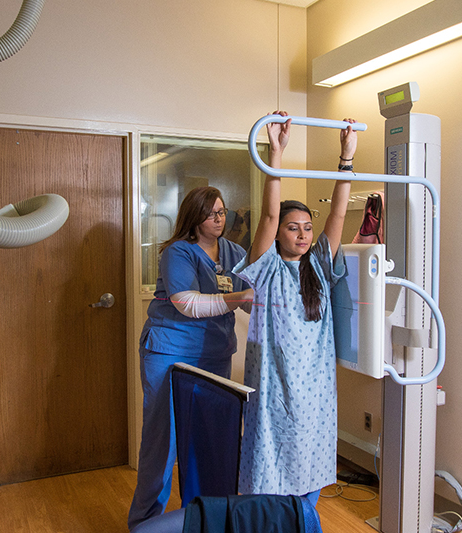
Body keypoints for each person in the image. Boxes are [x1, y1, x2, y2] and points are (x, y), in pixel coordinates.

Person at [233, 111, 357, 506]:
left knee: (310, 470)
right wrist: (276, 154)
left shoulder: (318, 266)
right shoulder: (267, 267)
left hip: (316, 390)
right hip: (274, 386)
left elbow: (337, 214)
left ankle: (305, 517)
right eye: (293, 227)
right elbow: (269, 213)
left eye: (307, 227)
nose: (303, 234)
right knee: (269, 473)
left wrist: (347, 157)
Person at [128, 186, 253, 531]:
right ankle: (144, 522)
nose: (218, 219)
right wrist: (241, 296)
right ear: (194, 216)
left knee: (212, 441)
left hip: (215, 355)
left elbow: (253, 294)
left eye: (222, 212)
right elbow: (187, 303)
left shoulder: (234, 251)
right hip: (170, 352)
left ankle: (204, 520)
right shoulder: (177, 252)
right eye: (211, 213)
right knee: (163, 443)